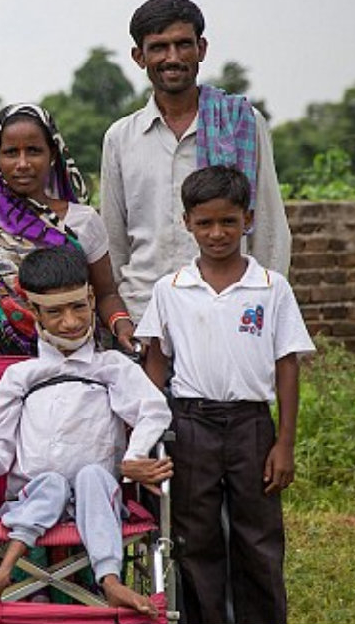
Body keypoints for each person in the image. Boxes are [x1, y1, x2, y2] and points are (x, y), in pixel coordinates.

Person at [0, 245, 172, 614]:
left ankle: (109, 581)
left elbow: (153, 411)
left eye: (78, 307)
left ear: (92, 299)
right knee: (52, 483)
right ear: (34, 313)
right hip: (33, 499)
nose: (71, 322)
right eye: (55, 312)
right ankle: (4, 572)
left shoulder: (110, 368)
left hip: (99, 501)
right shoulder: (21, 376)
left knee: (91, 475)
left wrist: (134, 457)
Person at [135, 165, 315, 624]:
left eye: (228, 222)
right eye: (205, 223)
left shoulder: (272, 288)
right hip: (190, 425)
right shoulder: (170, 290)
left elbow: (287, 365)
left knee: (257, 535)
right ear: (187, 223)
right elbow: (156, 364)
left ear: (248, 219)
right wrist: (146, 434)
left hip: (251, 425)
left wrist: (285, 443)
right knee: (194, 536)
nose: (217, 233)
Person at [100, 0, 292, 325]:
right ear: (139, 56)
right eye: (159, 47)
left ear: (201, 49)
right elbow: (114, 242)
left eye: (183, 45)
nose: (172, 58)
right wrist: (119, 318)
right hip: (145, 312)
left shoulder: (242, 123)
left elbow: (270, 228)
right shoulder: (120, 137)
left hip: (229, 309)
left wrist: (265, 311)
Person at [0, 103, 135, 362]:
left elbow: (106, 294)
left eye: (34, 151)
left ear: (53, 153)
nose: (23, 163)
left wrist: (122, 325)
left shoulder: (83, 222)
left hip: (76, 365)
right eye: (11, 152)